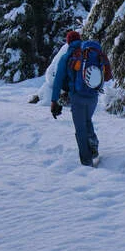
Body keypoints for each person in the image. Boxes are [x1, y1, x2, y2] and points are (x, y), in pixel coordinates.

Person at [50, 30, 102, 166]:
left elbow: (58, 81)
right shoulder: (90, 53)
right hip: (93, 95)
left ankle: (87, 162)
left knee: (80, 130)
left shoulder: (67, 56)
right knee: (87, 120)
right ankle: (93, 144)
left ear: (68, 42)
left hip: (77, 97)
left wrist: (54, 101)